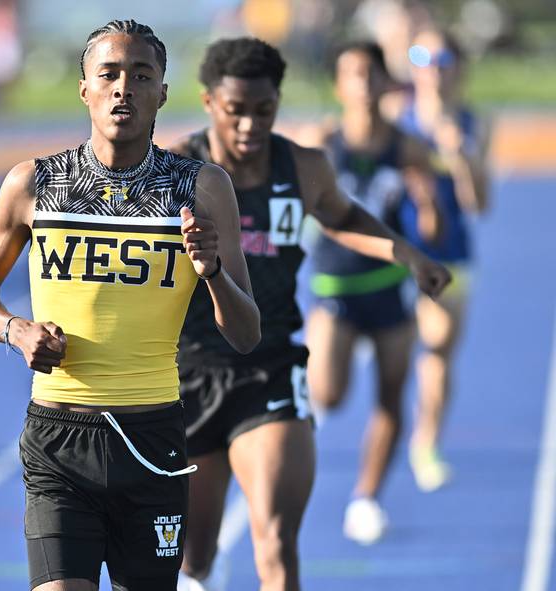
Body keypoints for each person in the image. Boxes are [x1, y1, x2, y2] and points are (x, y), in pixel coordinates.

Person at [0, 19, 260, 591]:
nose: (124, 87)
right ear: (85, 89)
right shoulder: (35, 184)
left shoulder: (200, 188)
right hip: (58, 439)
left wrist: (213, 271)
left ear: (162, 93)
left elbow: (245, 332)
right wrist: (17, 331)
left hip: (153, 439)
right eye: (109, 74)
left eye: (140, 75)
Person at [172, 37, 449, 591]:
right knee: (193, 560)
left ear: (278, 103)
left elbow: (344, 217)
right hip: (189, 373)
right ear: (208, 103)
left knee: (275, 540)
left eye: (264, 110)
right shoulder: (178, 169)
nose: (250, 125)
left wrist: (406, 253)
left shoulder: (300, 166)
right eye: (235, 111)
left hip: (270, 367)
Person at [305, 40, 442, 546]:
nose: (362, 84)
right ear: (339, 85)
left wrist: (428, 205)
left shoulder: (407, 147)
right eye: (351, 74)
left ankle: (365, 498)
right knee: (329, 394)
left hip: (387, 286)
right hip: (335, 285)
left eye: (370, 74)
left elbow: (435, 226)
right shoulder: (321, 142)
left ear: (385, 83)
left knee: (390, 394)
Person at [395, 29, 490, 492]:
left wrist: (460, 155)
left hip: (449, 256)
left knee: (437, 352)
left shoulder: (473, 122)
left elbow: (479, 205)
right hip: (395, 252)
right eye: (421, 56)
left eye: (442, 57)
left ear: (457, 67)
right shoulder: (398, 115)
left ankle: (425, 442)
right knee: (399, 349)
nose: (432, 67)